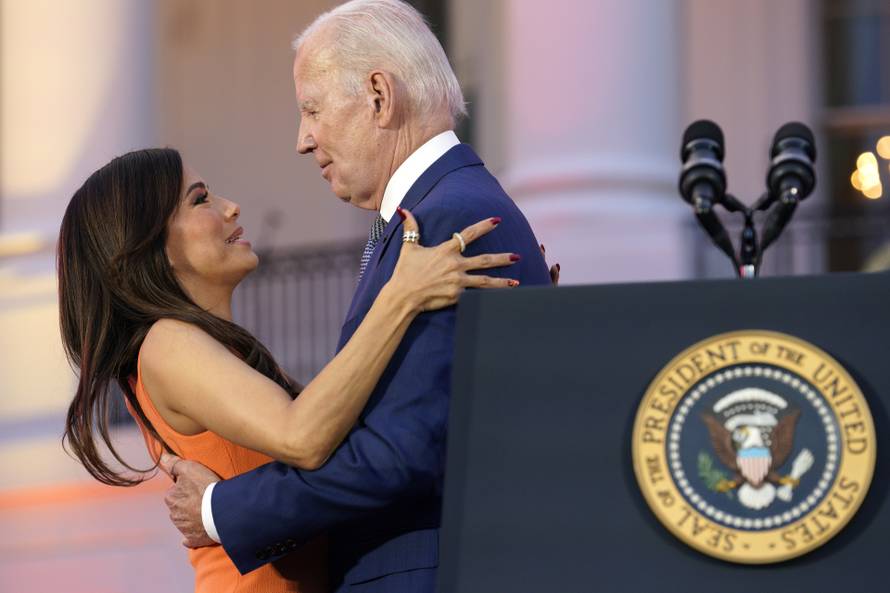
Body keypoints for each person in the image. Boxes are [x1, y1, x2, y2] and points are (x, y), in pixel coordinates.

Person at [160, 1, 555, 591]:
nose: (302, 139)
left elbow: (400, 451)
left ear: (378, 95)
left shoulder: (449, 219)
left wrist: (221, 510)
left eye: (312, 110)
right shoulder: (443, 210)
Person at [58, 147, 522, 593]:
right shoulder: (166, 343)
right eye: (200, 199)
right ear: (149, 246)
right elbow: (303, 436)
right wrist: (402, 296)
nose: (231, 208)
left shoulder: (213, 350)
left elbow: (354, 444)